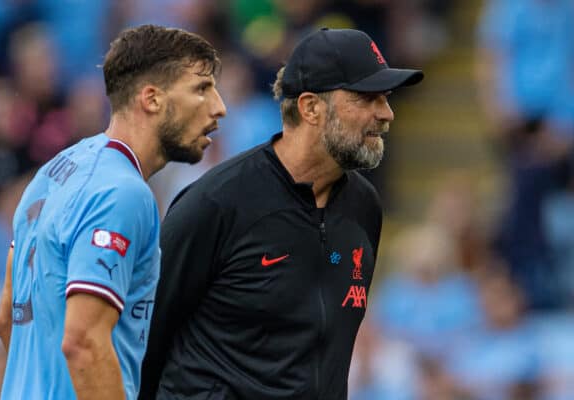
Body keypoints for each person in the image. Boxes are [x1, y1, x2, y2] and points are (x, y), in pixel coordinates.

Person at [140, 27, 423, 400]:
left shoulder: (364, 207)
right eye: (367, 98)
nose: (386, 114)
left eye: (385, 98)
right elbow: (143, 337)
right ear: (310, 108)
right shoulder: (217, 203)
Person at [0, 24, 226, 400]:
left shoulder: (53, 172)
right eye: (202, 89)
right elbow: (83, 341)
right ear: (151, 99)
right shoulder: (124, 194)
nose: (220, 107)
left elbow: (8, 320)